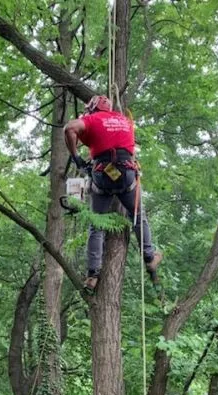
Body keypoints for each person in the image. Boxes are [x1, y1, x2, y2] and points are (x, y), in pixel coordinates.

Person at [63, 94, 162, 289]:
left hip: (102, 175)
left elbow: (69, 128)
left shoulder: (90, 120)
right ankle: (149, 257)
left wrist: (76, 157)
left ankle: (92, 275)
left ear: (93, 108)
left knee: (96, 225)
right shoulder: (125, 120)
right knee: (138, 216)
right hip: (127, 175)